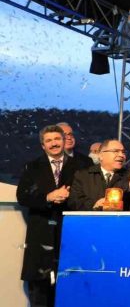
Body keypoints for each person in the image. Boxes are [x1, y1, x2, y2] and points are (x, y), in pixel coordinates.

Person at [16, 125, 88, 307]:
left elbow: (87, 194)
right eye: (48, 140)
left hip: (71, 233)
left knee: (73, 285)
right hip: (41, 235)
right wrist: (49, 197)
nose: (54, 143)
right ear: (43, 145)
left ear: (64, 141)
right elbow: (23, 196)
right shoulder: (32, 166)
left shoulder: (82, 165)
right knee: (40, 291)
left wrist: (68, 196)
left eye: (57, 139)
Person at [68, 139, 128, 211]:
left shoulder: (128, 176)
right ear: (101, 155)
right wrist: (94, 204)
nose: (121, 155)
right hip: (91, 217)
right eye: (116, 151)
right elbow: (74, 201)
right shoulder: (83, 176)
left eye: (123, 152)